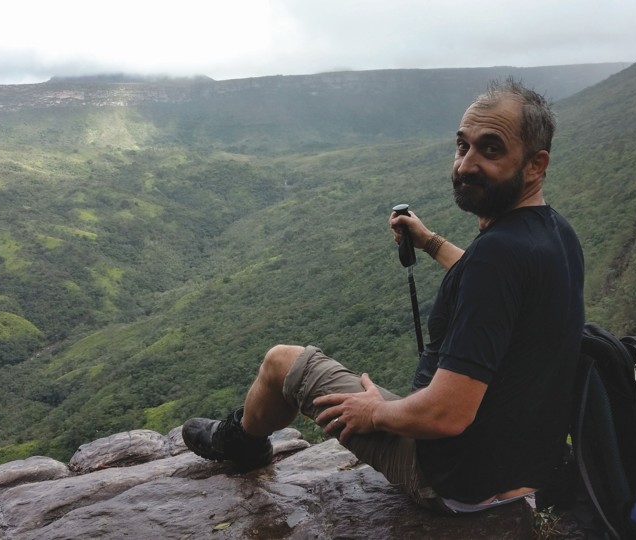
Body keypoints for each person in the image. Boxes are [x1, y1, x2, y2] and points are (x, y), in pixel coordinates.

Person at [182, 78, 585, 512]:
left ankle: (242, 442)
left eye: (491, 149)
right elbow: (499, 287)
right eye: (462, 146)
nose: (466, 165)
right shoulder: (555, 233)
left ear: (534, 165)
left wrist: (372, 413)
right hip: (521, 466)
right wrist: (429, 241)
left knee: (283, 362)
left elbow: (446, 414)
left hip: (455, 477)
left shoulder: (498, 256)